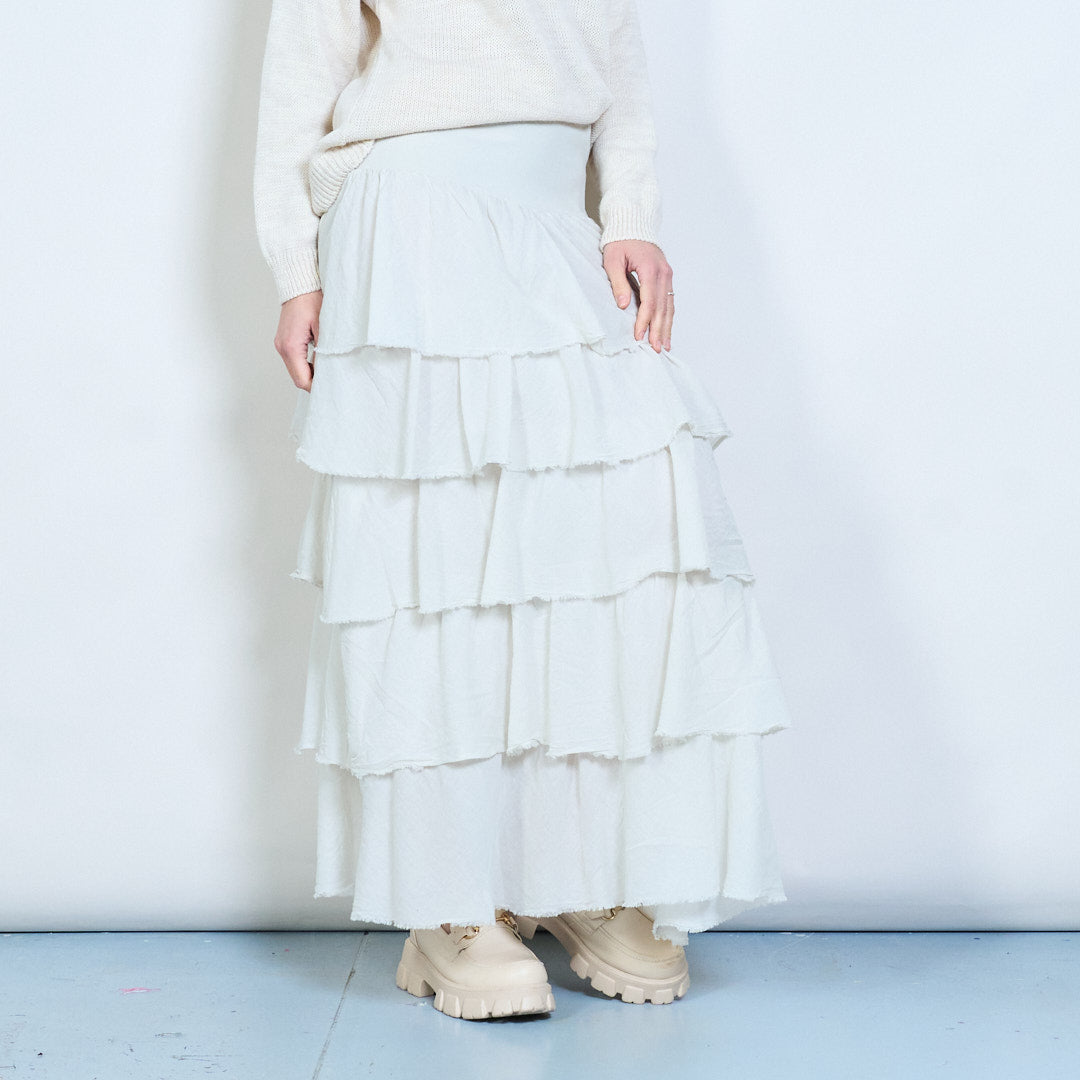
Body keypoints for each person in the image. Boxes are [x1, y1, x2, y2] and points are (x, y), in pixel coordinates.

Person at [254, 0, 792, 1022]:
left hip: (553, 213)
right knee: (440, 562)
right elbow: (296, 88)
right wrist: (297, 268)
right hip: (412, 213)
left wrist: (630, 213)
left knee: (599, 546)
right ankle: (449, 901)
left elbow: (616, 59)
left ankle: (570, 876)